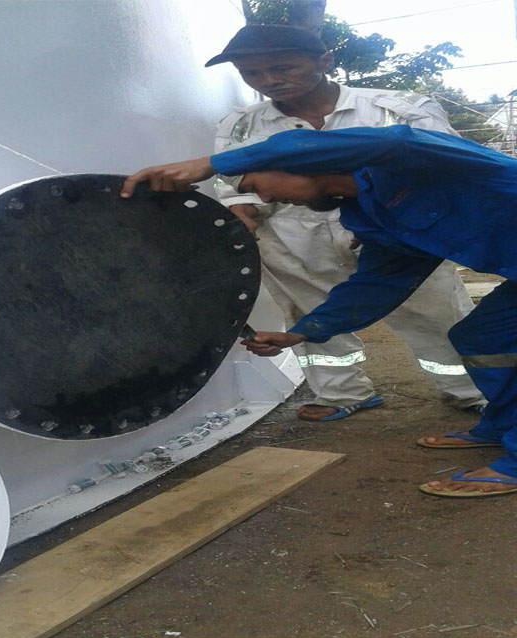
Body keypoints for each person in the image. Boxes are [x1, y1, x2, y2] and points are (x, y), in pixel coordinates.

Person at [119, 124, 517, 497]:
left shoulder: (411, 159)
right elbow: (379, 283)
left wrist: (211, 164)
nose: (265, 200)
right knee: (482, 337)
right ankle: (502, 425)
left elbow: (397, 140)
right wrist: (301, 331)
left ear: (296, 160)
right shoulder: (371, 215)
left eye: (254, 185)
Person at [206, 24, 483, 421]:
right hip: (291, 234)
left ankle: (472, 391)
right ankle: (340, 392)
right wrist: (241, 210)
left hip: (397, 230)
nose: (268, 81)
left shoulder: (399, 109)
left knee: (434, 312)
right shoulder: (240, 125)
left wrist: (383, 220)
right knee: (308, 313)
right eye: (251, 73)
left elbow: (441, 169)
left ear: (325, 61)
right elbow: (232, 180)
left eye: (283, 67)